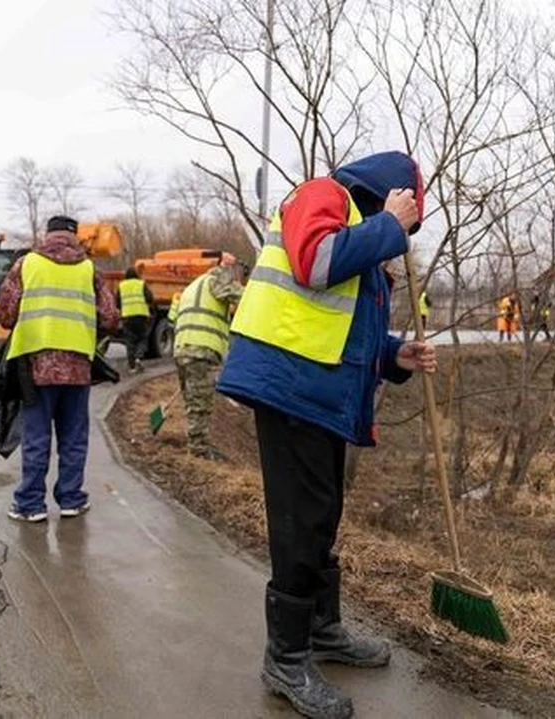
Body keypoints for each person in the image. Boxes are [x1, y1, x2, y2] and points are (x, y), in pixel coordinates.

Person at [217, 152, 437, 719]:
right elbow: (313, 264)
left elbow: (343, 326)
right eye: (410, 217)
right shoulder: (322, 194)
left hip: (316, 393)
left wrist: (395, 355)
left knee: (321, 515)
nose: (406, 232)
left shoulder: (360, 232)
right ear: (390, 192)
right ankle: (285, 659)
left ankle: (321, 629)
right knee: (300, 522)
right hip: (289, 385)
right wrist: (389, 227)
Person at [0, 216, 119, 522]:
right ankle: (71, 499)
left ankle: (30, 505)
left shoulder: (26, 264)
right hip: (78, 366)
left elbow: (5, 314)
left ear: (47, 234)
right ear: (75, 237)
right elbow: (110, 318)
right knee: (74, 437)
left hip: (35, 367)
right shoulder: (90, 269)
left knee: (36, 436)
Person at [172, 255, 243, 460]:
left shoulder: (193, 286)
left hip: (183, 348)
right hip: (202, 349)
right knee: (201, 404)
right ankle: (198, 450)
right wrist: (252, 293)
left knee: (193, 401)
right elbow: (229, 293)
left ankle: (196, 443)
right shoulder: (217, 278)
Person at [117, 266, 155, 373]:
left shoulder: (121, 285)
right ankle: (139, 357)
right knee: (142, 338)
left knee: (130, 341)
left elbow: (117, 302)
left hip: (127, 317)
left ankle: (132, 366)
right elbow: (150, 298)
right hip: (141, 315)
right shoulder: (141, 284)